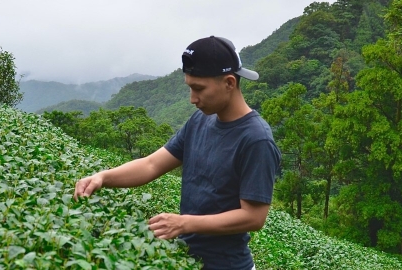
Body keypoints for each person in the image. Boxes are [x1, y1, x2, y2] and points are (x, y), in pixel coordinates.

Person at [74, 36, 281, 270]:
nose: (193, 99)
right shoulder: (200, 121)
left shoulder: (256, 139)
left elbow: (253, 217)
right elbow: (152, 164)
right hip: (187, 260)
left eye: (199, 89)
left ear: (229, 83)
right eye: (190, 87)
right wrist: (102, 177)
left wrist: (184, 223)